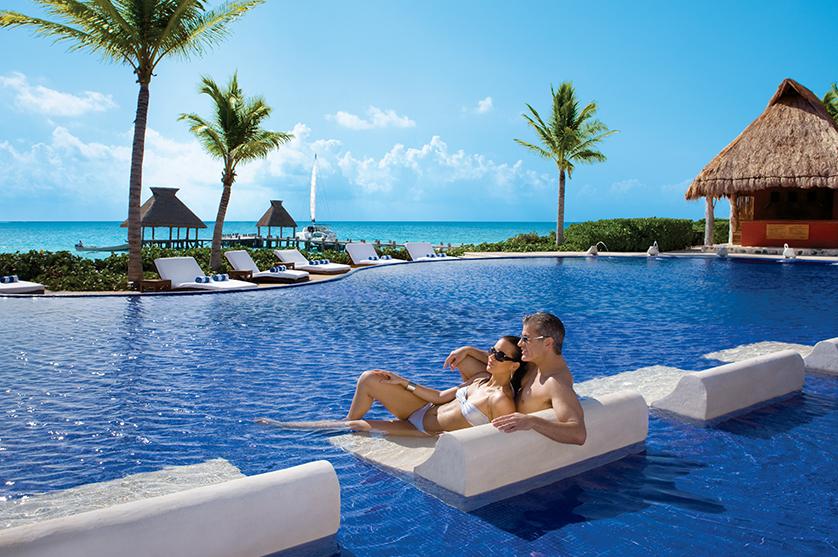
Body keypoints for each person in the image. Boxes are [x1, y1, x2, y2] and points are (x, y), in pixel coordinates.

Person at [257, 336, 522, 436]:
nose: (490, 357)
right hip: (423, 407)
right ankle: (345, 424)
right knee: (370, 378)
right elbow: (440, 396)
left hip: (422, 430)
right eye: (491, 350)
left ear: (514, 366)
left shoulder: (500, 401)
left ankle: (285, 427)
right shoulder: (480, 380)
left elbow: (500, 442)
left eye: (499, 356)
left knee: (356, 426)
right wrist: (402, 382)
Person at [444, 312, 586, 445]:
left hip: (503, 424)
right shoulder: (536, 363)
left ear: (548, 343)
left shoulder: (556, 383)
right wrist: (468, 350)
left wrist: (532, 421)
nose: (520, 344)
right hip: (496, 408)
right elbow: (502, 358)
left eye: (526, 339)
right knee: (465, 360)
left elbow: (578, 434)